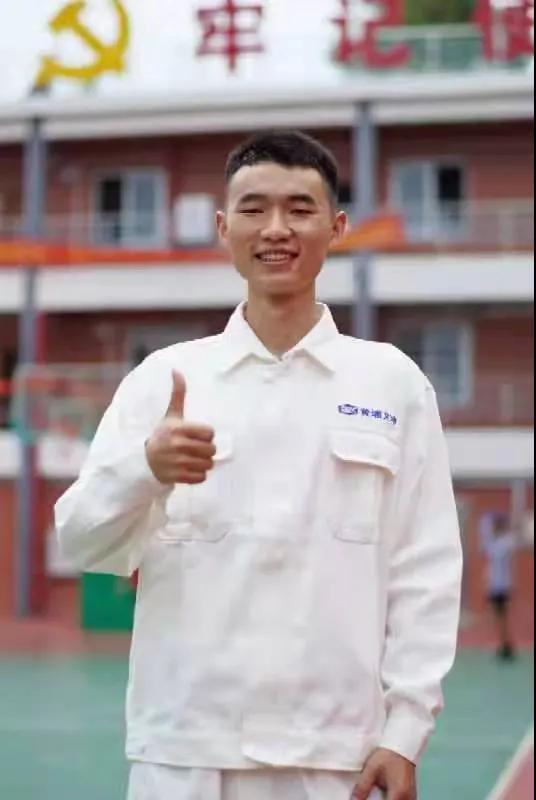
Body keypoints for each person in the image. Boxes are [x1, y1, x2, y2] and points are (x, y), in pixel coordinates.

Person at [55, 130, 463, 800]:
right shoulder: (165, 379)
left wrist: (406, 730)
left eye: (300, 209)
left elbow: (426, 567)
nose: (277, 228)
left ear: (337, 227)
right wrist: (147, 468)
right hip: (184, 754)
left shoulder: (392, 383)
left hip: (336, 757)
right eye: (254, 208)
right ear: (223, 228)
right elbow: (79, 541)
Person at [480, 511, 519, 660]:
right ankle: (504, 644)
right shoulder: (496, 542)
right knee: (497, 617)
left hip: (501, 586)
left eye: (496, 526)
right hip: (495, 586)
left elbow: (494, 550)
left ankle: (507, 645)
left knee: (502, 617)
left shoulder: (505, 542)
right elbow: (485, 526)